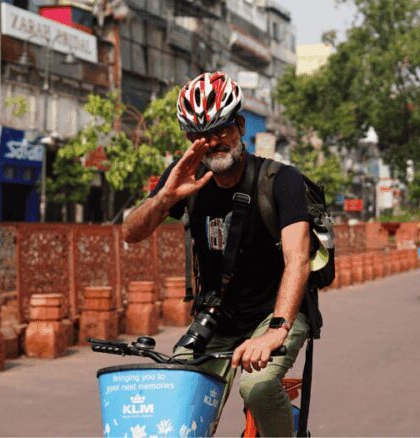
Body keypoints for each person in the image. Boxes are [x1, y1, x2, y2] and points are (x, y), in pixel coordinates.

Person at [121, 72, 311, 436]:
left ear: (240, 126)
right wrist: (165, 198)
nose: (211, 142)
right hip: (216, 320)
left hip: (274, 314)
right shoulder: (185, 177)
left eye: (221, 130)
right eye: (199, 135)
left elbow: (298, 258)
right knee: (177, 395)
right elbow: (131, 233)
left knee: (257, 387)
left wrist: (276, 330)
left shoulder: (280, 181)